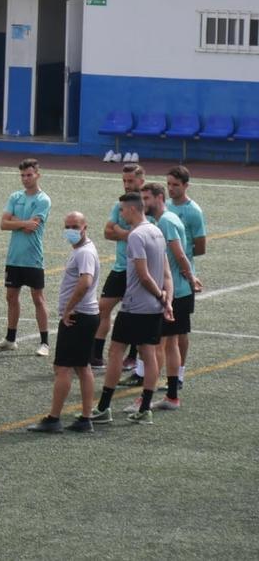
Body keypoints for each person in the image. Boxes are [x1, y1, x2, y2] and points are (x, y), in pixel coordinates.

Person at [90, 192, 173, 426]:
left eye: (123, 210)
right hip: (153, 308)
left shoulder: (136, 236)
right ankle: (145, 409)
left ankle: (104, 407)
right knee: (149, 355)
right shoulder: (156, 231)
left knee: (115, 352)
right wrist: (166, 300)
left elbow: (143, 275)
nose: (121, 214)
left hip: (135, 306)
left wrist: (158, 294)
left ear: (133, 210)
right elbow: (166, 274)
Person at [26, 211, 101, 433]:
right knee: (82, 366)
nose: (70, 230)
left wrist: (68, 308)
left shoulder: (84, 253)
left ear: (85, 227)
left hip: (78, 316)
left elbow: (85, 282)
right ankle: (85, 418)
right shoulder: (84, 249)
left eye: (75, 226)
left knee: (62, 368)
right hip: (86, 315)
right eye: (67, 226)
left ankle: (54, 418)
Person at [133, 182, 199, 412]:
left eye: (147, 198)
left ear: (159, 198)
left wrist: (190, 277)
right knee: (170, 344)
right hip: (180, 291)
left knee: (157, 346)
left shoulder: (166, 222)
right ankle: (171, 396)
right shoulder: (167, 219)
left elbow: (179, 254)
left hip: (175, 292)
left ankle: (147, 398)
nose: (143, 203)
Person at [0, 158, 52, 356]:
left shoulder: (43, 200)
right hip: (14, 258)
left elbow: (31, 228)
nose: (25, 179)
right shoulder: (15, 196)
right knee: (11, 297)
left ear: (37, 175)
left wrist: (15, 221)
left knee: (38, 298)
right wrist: (22, 222)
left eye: (29, 175)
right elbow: (3, 224)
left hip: (33, 257)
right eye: (23, 175)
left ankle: (45, 343)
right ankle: (10, 339)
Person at [91, 163, 146, 369]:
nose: (126, 185)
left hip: (139, 269)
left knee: (135, 314)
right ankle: (95, 355)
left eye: (130, 181)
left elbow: (144, 234)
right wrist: (128, 234)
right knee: (102, 308)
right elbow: (107, 232)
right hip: (120, 267)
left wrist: (120, 232)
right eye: (124, 181)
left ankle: (133, 356)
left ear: (141, 181)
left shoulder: (146, 205)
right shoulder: (119, 205)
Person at [165, 165, 206, 389]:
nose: (171, 189)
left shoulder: (193, 211)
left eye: (176, 185)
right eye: (169, 184)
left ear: (186, 186)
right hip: (164, 276)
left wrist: (184, 260)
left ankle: (179, 373)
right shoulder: (166, 208)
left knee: (180, 330)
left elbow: (200, 246)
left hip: (182, 278)